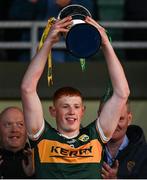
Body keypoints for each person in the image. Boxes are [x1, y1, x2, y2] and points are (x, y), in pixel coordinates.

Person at [21, 16, 130, 178]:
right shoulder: (43, 136)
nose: (72, 111)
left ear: (83, 111)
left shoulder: (95, 136)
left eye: (76, 107)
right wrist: (49, 42)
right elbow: (27, 88)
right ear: (53, 111)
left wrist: (106, 44)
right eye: (65, 106)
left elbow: (122, 93)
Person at [100, 101, 147, 179]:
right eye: (108, 118)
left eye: (120, 119)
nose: (113, 124)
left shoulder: (144, 154)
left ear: (129, 119)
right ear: (99, 117)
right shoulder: (86, 150)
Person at [0, 106, 35, 178]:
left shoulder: (39, 159)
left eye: (20, 124)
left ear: (27, 129)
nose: (15, 130)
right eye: (8, 124)